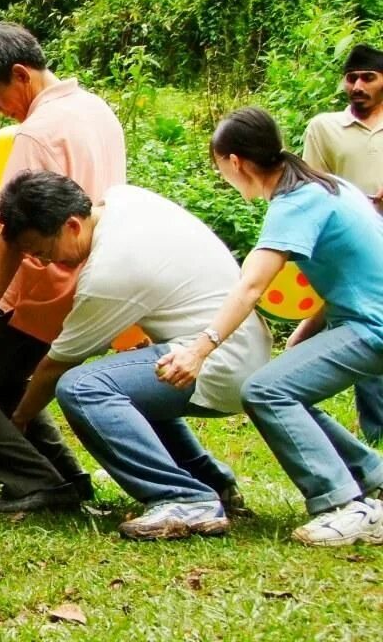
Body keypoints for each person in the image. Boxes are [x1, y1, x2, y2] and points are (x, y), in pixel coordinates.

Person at [0, 172, 271, 539]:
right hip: (237, 342)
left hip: (219, 359)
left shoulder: (109, 271)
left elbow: (56, 364)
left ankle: (183, 497)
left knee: (82, 388)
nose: (45, 263)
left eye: (43, 252)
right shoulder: (124, 199)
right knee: (124, 379)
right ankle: (209, 480)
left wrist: (21, 418)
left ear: (72, 225)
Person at [0, 22, 127, 512]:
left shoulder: (36, 132)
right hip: (84, 278)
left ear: (20, 74)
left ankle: (42, 484)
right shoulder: (98, 110)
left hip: (34, 289)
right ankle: (67, 478)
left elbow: (12, 231)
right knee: (4, 385)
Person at [159, 107, 383, 546]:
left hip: (371, 327)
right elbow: (350, 275)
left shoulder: (295, 203)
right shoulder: (326, 186)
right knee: (287, 387)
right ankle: (371, 475)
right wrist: (301, 339)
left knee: (266, 391)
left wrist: (198, 350)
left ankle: (345, 506)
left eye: (220, 167)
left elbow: (250, 287)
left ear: (234, 162)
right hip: (366, 318)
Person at [301, 43, 383, 443]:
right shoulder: (324, 127)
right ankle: (377, 433)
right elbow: (313, 188)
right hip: (354, 247)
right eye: (352, 78)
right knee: (363, 330)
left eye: (369, 77)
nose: (358, 85)